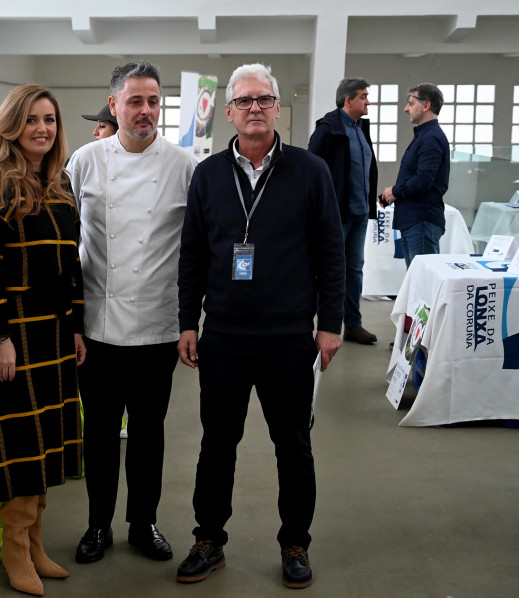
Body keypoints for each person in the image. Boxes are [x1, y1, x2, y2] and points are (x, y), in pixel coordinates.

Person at [176, 63, 345, 589]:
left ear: (277, 109)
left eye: (264, 100)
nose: (255, 108)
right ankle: (209, 539)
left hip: (289, 337)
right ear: (228, 111)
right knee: (217, 443)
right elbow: (193, 256)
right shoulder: (206, 175)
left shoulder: (309, 170)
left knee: (293, 445)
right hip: (224, 334)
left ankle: (295, 542)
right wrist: (188, 321)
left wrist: (331, 322)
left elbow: (331, 251)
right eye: (245, 100)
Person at [67, 59, 198, 565]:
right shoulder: (85, 160)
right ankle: (98, 524)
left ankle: (143, 523)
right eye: (135, 101)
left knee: (149, 433)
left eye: (153, 101)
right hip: (96, 325)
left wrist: (190, 319)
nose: (146, 111)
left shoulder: (183, 166)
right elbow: (64, 241)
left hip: (158, 324)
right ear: (114, 104)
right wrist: (70, 321)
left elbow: (196, 248)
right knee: (98, 433)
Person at [0, 84, 85, 597]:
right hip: (15, 333)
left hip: (55, 333)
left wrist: (77, 324)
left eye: (50, 120)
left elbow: (71, 265)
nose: (43, 128)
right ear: (12, 125)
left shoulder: (57, 183)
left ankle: (35, 541)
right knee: (19, 442)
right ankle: (15, 546)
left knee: (44, 442)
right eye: (32, 119)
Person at [308, 77, 378, 345]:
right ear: (348, 100)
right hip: (337, 214)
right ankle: (313, 323)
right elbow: (313, 171)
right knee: (327, 270)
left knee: (354, 270)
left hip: (360, 213)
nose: (367, 101)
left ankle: (353, 324)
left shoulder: (361, 129)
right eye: (363, 96)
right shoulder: (328, 129)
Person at [380, 83, 449, 267]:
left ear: (426, 105)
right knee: (417, 284)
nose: (406, 108)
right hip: (414, 220)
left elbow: (423, 180)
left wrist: (395, 190)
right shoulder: (423, 136)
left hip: (422, 220)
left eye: (411, 103)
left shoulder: (431, 138)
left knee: (424, 286)